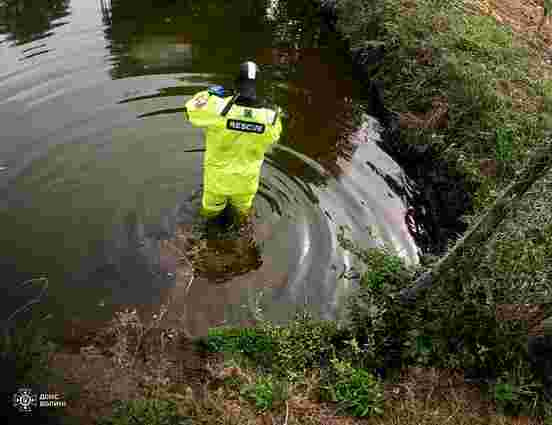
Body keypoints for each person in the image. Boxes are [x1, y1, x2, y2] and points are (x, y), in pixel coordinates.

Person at [184, 61, 283, 228]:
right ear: (257, 84)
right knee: (244, 217)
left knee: (208, 217)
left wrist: (210, 93)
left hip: (217, 181)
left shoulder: (217, 108)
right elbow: (274, 138)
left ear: (236, 82)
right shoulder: (270, 117)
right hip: (246, 182)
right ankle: (245, 243)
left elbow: (190, 111)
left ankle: (200, 246)